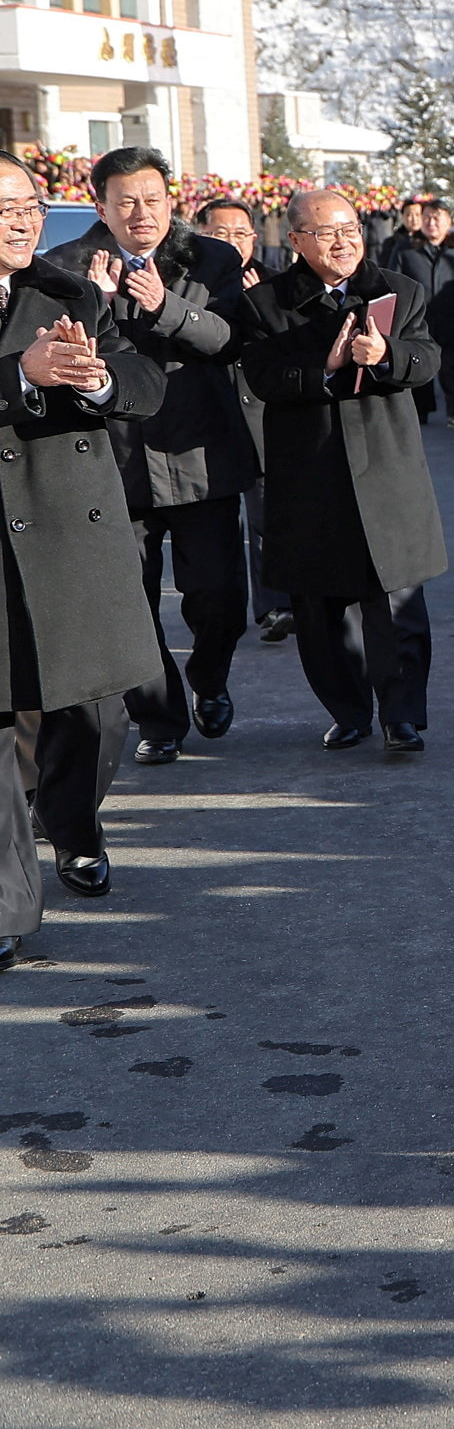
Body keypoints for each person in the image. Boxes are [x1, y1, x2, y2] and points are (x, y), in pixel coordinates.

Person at [0, 150, 164, 955]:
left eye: (28, 204)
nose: (23, 220)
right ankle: (6, 911)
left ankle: (72, 825)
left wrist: (96, 381)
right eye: (4, 209)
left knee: (97, 710)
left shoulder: (67, 289)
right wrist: (18, 378)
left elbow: (145, 380)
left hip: (74, 529)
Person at [51, 146, 258, 767]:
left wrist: (165, 305)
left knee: (218, 596)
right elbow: (72, 353)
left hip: (201, 451)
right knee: (132, 603)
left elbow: (227, 341)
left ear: (172, 200)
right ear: (101, 207)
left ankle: (211, 678)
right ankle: (159, 717)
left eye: (153, 199)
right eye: (126, 202)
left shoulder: (211, 256)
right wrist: (102, 300)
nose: (141, 213)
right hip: (117, 460)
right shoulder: (66, 267)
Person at [237, 188, 447, 752]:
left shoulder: (398, 290)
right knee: (321, 607)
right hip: (310, 472)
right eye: (327, 233)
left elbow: (427, 358)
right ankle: (349, 710)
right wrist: (321, 369)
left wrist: (387, 357)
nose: (343, 241)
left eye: (350, 229)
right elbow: (261, 378)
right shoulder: (265, 304)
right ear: (297, 240)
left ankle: (401, 715)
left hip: (386, 467)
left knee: (397, 601)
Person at [194, 197, 292, 635]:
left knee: (269, 513)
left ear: (255, 238)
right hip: (208, 414)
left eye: (240, 234)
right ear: (199, 235)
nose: (232, 242)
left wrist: (257, 303)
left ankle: (275, 606)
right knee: (215, 528)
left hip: (262, 412)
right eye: (220, 234)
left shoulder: (276, 285)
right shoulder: (187, 283)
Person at [386, 197, 454, 428]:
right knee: (418, 365)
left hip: (451, 317)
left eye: (437, 217)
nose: (431, 222)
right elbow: (393, 281)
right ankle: (420, 413)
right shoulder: (406, 248)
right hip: (417, 319)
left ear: (448, 222)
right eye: (427, 218)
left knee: (453, 368)